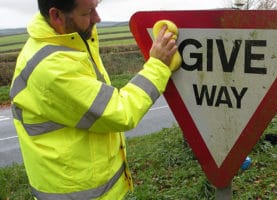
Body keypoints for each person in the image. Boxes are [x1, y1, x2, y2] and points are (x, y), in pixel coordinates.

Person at [9, 0, 178, 199]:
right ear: (56, 16)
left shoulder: (67, 39)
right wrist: (158, 65)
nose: (98, 18)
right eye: (88, 12)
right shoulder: (53, 68)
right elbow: (121, 112)